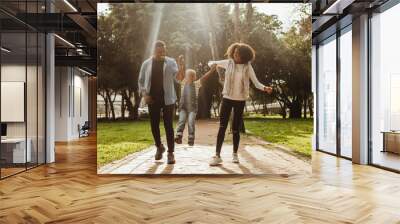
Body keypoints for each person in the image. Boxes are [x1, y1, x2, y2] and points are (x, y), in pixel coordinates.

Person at [208, 43, 273, 166]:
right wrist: (213, 65)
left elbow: (256, 82)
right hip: (227, 98)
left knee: (236, 129)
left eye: (238, 54)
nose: (235, 55)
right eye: (234, 52)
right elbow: (210, 62)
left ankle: (235, 154)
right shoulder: (229, 63)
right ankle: (217, 155)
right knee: (222, 127)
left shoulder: (248, 67)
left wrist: (265, 88)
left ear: (244, 56)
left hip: (240, 100)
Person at [138, 40, 185, 164]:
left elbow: (179, 79)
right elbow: (141, 81)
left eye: (163, 51)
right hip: (152, 98)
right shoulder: (146, 64)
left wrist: (181, 68)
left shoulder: (170, 62)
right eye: (159, 51)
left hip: (168, 98)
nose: (161, 53)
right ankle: (159, 147)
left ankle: (170, 153)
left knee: (168, 125)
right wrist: (144, 94)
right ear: (154, 51)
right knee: (154, 125)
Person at [174, 65, 217, 146]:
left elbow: (204, 77)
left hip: (192, 108)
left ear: (194, 77)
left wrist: (211, 71)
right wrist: (180, 65)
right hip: (183, 107)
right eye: (188, 76)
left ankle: (191, 137)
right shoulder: (183, 83)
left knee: (191, 122)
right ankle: (179, 136)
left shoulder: (196, 84)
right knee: (181, 121)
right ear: (186, 77)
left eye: (192, 76)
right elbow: (179, 74)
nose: (189, 77)